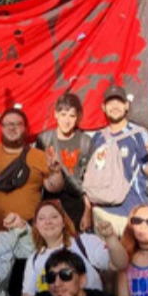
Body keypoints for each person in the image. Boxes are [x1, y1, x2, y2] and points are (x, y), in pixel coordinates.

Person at [0, 108, 64, 230]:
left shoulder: (40, 156)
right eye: (7, 124)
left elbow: (54, 187)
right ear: (1, 128)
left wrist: (56, 171)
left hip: (28, 232)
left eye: (17, 124)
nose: (12, 128)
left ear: (25, 128)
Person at [88, 84, 148, 235]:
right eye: (110, 102)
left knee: (136, 258)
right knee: (105, 259)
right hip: (103, 214)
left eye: (119, 102)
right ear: (103, 107)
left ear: (126, 106)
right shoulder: (97, 138)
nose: (115, 106)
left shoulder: (139, 134)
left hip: (133, 213)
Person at [36, 93, 94, 231]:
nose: (67, 121)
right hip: (51, 205)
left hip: (77, 205)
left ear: (78, 117)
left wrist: (87, 212)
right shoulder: (44, 140)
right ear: (56, 114)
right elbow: (37, 177)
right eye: (63, 114)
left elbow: (89, 181)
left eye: (72, 116)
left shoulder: (85, 141)